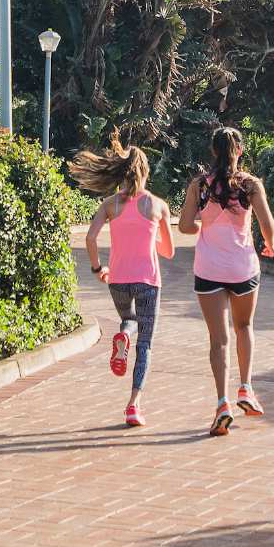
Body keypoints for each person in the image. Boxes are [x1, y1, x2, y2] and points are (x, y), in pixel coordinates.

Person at [179, 127, 274, 437]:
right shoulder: (250, 184)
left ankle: (222, 404)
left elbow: (184, 226)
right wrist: (270, 244)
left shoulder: (199, 185)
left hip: (208, 268)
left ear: (213, 151)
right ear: (240, 151)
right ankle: (246, 388)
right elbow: (267, 223)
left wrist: (204, 226)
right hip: (242, 268)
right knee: (244, 327)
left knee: (218, 340)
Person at [71, 134, 175, 428]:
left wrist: (97, 269)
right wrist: (150, 238)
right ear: (145, 171)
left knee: (128, 320)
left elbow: (90, 238)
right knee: (146, 344)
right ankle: (133, 405)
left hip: (117, 280)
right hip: (148, 280)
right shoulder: (157, 205)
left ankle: (124, 336)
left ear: (121, 171)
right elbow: (169, 251)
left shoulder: (110, 204)